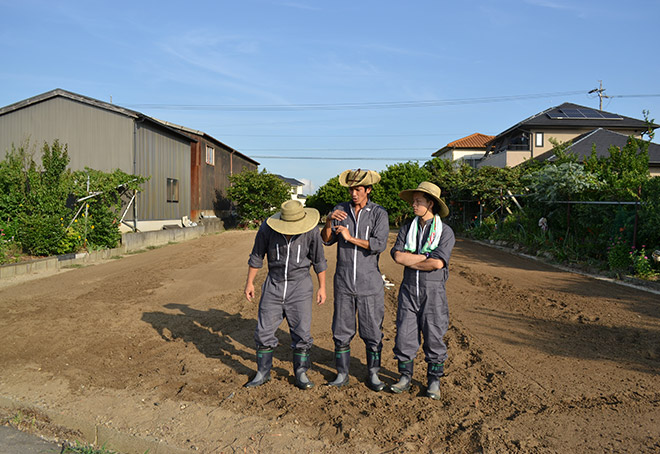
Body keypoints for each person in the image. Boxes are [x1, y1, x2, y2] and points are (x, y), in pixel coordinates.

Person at [244, 200, 327, 390]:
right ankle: (263, 372)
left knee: (302, 332)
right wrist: (249, 282)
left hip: (300, 286)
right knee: (264, 331)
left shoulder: (311, 231)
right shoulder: (267, 228)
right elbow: (257, 255)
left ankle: (301, 372)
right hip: (274, 283)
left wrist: (322, 287)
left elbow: (319, 260)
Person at [320, 169, 389, 391]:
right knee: (341, 329)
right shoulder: (340, 210)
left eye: (358, 189)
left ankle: (374, 374)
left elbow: (379, 245)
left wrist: (351, 238)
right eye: (351, 189)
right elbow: (327, 241)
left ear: (368, 190)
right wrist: (329, 221)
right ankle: (342, 374)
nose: (354, 193)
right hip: (343, 281)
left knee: (372, 331)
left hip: (369, 282)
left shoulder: (379, 213)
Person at [389, 181, 455, 399]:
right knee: (404, 335)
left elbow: (438, 264)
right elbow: (398, 256)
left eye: (418, 201)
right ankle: (405, 377)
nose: (414, 205)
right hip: (408, 290)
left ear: (431, 204)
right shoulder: (408, 229)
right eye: (413, 201)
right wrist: (426, 257)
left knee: (434, 335)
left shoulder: (445, 232)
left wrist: (412, 261)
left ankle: (433, 382)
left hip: (433, 292)